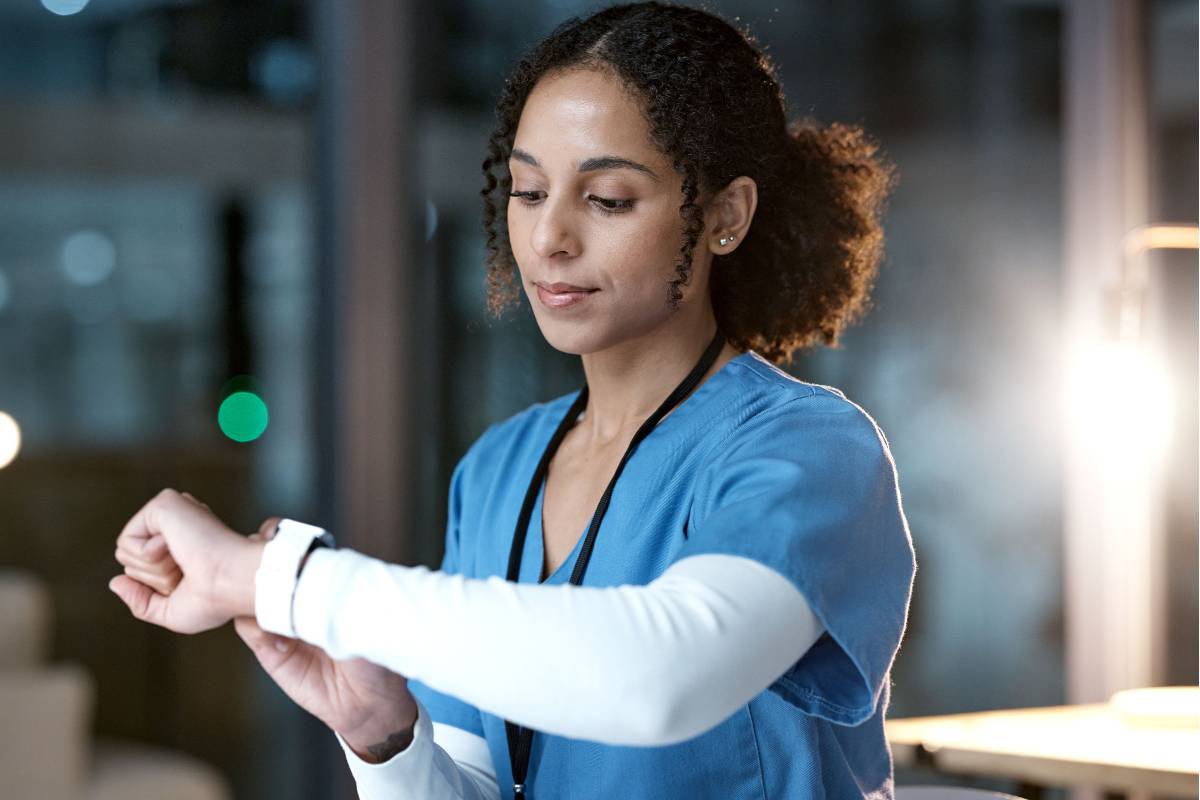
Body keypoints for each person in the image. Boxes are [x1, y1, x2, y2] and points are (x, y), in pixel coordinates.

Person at [109, 2, 916, 798]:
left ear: (723, 216)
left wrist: (282, 579)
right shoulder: (499, 468)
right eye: (529, 192)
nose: (549, 239)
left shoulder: (810, 450)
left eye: (606, 199)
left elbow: (658, 679)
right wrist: (385, 737)